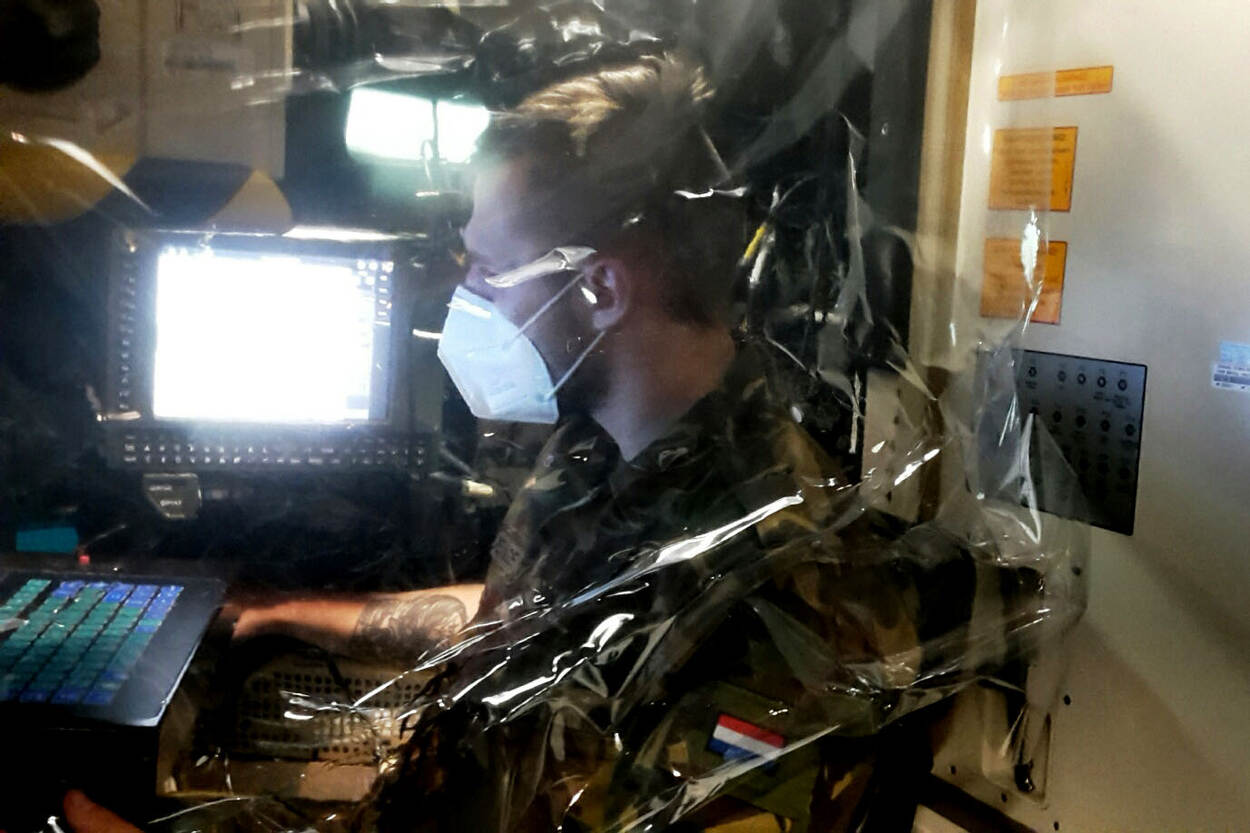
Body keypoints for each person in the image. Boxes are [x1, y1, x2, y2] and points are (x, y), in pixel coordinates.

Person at [65, 52, 947, 833]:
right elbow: (523, 617)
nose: (466, 297)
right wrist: (286, 612)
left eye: (489, 269)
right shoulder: (603, 444)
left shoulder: (774, 599)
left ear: (600, 289)